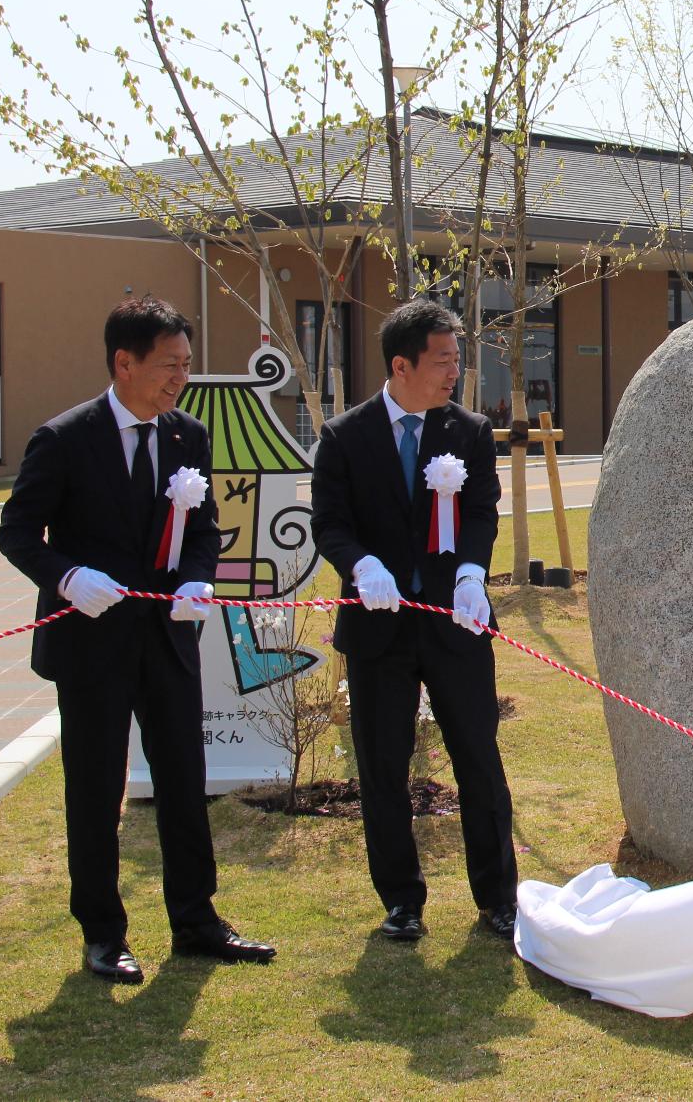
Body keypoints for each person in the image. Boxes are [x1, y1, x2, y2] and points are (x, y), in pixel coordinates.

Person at [0, 297, 274, 983]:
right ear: (123, 362)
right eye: (167, 364)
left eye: (185, 363)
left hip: (167, 638)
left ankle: (197, 918)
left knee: (184, 776)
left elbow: (204, 525)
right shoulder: (64, 438)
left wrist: (197, 578)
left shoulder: (187, 435)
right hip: (90, 643)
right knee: (95, 787)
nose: (179, 377)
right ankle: (101, 931)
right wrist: (67, 577)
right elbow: (16, 531)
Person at [310, 299, 516, 943]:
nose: (455, 371)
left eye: (458, 359)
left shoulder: (470, 431)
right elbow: (330, 523)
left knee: (478, 758)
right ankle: (401, 899)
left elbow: (481, 510)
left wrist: (472, 573)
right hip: (378, 627)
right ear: (401, 365)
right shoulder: (346, 436)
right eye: (443, 360)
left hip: (455, 622)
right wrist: (360, 564)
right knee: (382, 764)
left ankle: (498, 898)